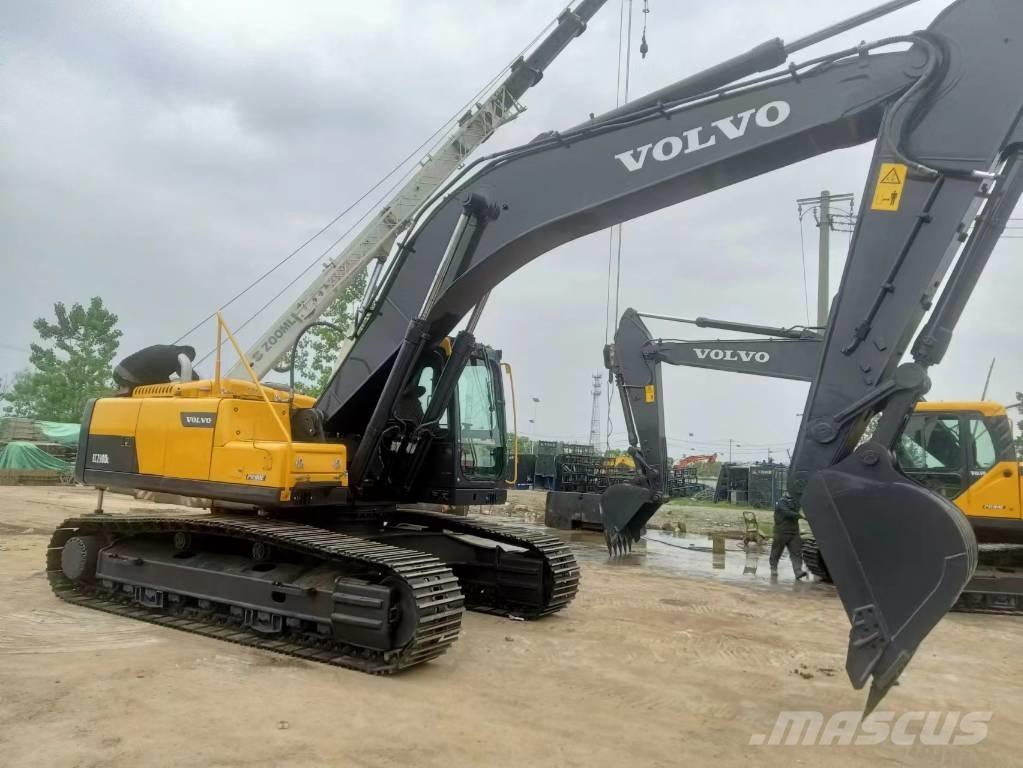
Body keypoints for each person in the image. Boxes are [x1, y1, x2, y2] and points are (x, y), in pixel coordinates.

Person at [770, 492, 808, 579]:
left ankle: (798, 571)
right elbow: (787, 513)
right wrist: (801, 516)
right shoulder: (781, 502)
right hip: (781, 532)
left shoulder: (796, 502)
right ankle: (774, 568)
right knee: (776, 552)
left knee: (796, 552)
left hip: (794, 532)